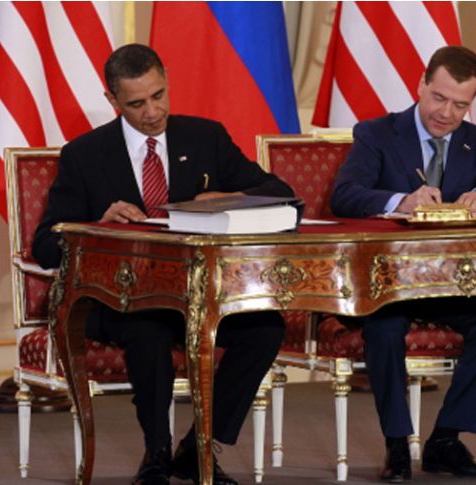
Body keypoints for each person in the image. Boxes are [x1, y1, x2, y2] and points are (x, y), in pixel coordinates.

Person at [33, 44, 294, 485]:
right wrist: (94, 224)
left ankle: (198, 448)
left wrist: (232, 199)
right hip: (117, 302)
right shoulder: (85, 154)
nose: (153, 112)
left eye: (159, 95)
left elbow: (279, 190)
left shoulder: (205, 137)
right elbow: (45, 244)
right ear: (113, 100)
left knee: (265, 327)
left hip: (196, 297)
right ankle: (155, 452)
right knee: (146, 329)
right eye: (137, 103)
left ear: (166, 79)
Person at [330, 46, 476, 481]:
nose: (447, 113)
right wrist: (401, 201)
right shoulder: (377, 134)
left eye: (461, 105)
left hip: (447, 283)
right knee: (384, 329)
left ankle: (444, 441)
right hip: (386, 284)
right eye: (440, 98)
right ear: (421, 85)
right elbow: (343, 195)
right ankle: (397, 445)